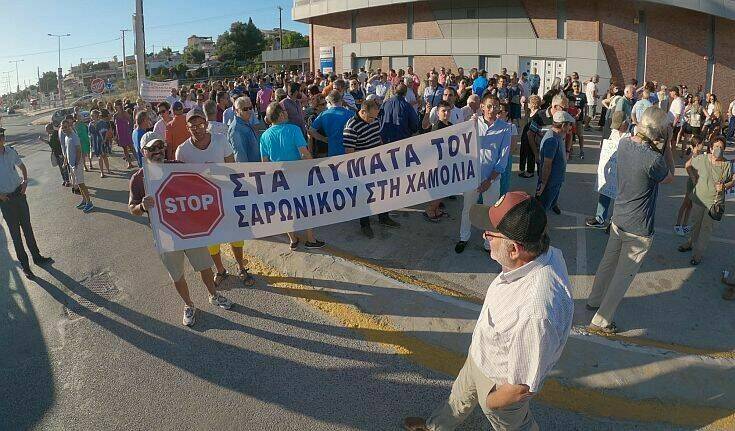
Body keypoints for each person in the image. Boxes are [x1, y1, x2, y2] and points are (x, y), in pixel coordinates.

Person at [404, 192, 573, 431]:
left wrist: (491, 402)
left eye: (489, 233)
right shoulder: (544, 252)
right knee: (458, 398)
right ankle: (435, 427)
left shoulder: (535, 312)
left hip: (498, 383)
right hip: (482, 354)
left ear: (514, 249)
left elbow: (520, 387)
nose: (484, 236)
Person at [586, 107, 675, 334]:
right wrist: (669, 145)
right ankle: (601, 321)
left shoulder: (625, 144)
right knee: (622, 277)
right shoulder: (654, 160)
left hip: (619, 216)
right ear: (659, 132)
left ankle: (594, 299)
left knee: (607, 263)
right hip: (639, 227)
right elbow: (670, 176)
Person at [129, 137, 232, 327]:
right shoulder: (138, 178)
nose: (158, 151)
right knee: (177, 274)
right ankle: (189, 305)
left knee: (204, 266)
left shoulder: (178, 166)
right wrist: (142, 206)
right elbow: (132, 208)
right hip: (165, 236)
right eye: (152, 149)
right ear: (144, 151)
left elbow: (201, 182)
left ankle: (214, 295)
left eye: (161, 146)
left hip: (191, 230)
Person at [175, 108, 254, 286]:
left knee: (236, 235)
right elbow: (181, 182)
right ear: (187, 127)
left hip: (226, 197)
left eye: (201, 124)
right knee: (212, 240)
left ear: (206, 123)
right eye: (193, 125)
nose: (197, 128)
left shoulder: (220, 140)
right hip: (202, 204)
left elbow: (232, 167)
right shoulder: (182, 151)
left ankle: (241, 267)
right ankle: (221, 270)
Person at [260, 102, 325, 250]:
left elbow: (264, 163)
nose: (287, 112)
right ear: (281, 114)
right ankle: (310, 239)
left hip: (278, 179)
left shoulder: (264, 136)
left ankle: (292, 239)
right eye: (284, 111)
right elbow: (305, 153)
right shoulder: (294, 129)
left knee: (285, 210)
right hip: (297, 176)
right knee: (305, 206)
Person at [455, 95, 511, 254]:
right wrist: (468, 126)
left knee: (490, 212)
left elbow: (503, 157)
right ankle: (463, 237)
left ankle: (489, 244)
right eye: (490, 106)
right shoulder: (473, 123)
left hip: (491, 179)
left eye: (496, 107)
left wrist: (490, 179)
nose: (493, 110)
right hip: (472, 176)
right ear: (482, 107)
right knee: (468, 209)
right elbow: (459, 143)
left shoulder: (505, 128)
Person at [0, 127, 53, 279]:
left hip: (19, 195)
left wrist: (25, 181)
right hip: (6, 201)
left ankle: (37, 257)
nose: (1, 140)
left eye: (2, 137)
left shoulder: (11, 151)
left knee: (28, 229)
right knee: (16, 235)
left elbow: (21, 166)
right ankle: (25, 266)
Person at [343, 99, 400, 237]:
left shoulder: (374, 120)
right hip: (362, 168)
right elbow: (349, 153)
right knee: (365, 196)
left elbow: (377, 137)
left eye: (375, 117)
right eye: (370, 117)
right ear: (362, 111)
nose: (373, 120)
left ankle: (384, 217)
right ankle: (365, 224)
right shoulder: (351, 127)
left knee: (383, 191)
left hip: (378, 164)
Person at [678, 136, 734, 265]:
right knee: (695, 224)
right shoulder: (702, 159)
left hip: (714, 204)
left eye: (721, 147)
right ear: (710, 148)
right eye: (716, 147)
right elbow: (688, 165)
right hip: (699, 200)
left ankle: (697, 254)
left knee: (706, 228)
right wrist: (693, 178)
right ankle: (690, 243)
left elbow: (733, 180)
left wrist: (725, 186)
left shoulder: (726, 165)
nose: (718, 149)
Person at [585, 112, 630, 229]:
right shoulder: (614, 131)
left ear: (625, 123)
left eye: (619, 125)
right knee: (605, 192)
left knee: (620, 198)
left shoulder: (632, 132)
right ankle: (600, 218)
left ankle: (614, 223)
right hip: (612, 169)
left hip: (625, 170)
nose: (617, 128)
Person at [536, 111, 574, 214]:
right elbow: (547, 165)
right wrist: (543, 184)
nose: (570, 127)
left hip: (556, 180)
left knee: (550, 202)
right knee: (543, 208)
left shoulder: (558, 135)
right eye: (569, 125)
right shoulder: (552, 140)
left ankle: (553, 205)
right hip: (550, 182)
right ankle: (542, 227)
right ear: (563, 125)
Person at [60, 116, 94, 213]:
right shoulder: (67, 137)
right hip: (72, 164)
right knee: (78, 184)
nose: (64, 129)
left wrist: (77, 162)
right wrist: (65, 161)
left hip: (76, 164)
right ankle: (84, 200)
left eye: (65, 127)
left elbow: (79, 150)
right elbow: (67, 151)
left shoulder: (74, 136)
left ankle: (89, 203)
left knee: (81, 184)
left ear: (70, 126)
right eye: (62, 127)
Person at [674, 136, 705, 236]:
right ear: (697, 145)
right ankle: (678, 225)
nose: (703, 145)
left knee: (690, 205)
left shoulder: (698, 153)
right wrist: (693, 177)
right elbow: (687, 166)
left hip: (696, 182)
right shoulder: (694, 154)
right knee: (685, 203)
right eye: (702, 144)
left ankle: (684, 225)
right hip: (692, 183)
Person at [308, 90, 353, 157]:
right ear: (341, 99)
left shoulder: (323, 114)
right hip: (350, 153)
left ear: (329, 101)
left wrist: (324, 139)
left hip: (332, 153)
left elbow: (311, 131)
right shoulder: (351, 114)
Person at [228, 96, 260, 162]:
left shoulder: (246, 122)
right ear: (237, 110)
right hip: (249, 169)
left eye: (250, 108)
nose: (249, 111)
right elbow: (240, 156)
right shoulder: (235, 129)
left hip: (256, 167)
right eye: (245, 109)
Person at [518, 95, 542, 179]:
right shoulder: (529, 112)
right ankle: (521, 169)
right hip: (525, 133)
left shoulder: (538, 113)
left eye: (529, 102)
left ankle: (530, 171)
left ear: (533, 103)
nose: (527, 104)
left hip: (533, 135)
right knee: (523, 151)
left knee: (530, 153)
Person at [113, 100, 136, 169]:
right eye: (114, 106)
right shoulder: (115, 115)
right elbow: (115, 125)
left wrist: (130, 130)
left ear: (120, 106)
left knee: (132, 147)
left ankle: (139, 161)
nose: (115, 107)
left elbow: (130, 121)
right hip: (120, 134)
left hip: (126, 132)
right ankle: (129, 163)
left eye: (116, 106)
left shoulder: (125, 113)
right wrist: (116, 135)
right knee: (125, 149)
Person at [568, 81, 588, 158]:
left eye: (578, 86)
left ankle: (581, 150)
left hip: (579, 119)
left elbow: (585, 106)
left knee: (580, 135)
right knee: (570, 135)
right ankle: (570, 150)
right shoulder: (569, 94)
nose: (576, 87)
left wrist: (586, 116)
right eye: (575, 86)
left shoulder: (583, 95)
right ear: (572, 87)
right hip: (570, 120)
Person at [668, 86, 686, 158]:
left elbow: (677, 115)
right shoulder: (675, 100)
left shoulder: (679, 101)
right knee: (670, 141)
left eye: (671, 91)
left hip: (674, 125)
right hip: (671, 124)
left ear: (674, 92)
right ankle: (669, 156)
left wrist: (673, 126)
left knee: (673, 142)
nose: (670, 93)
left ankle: (671, 157)